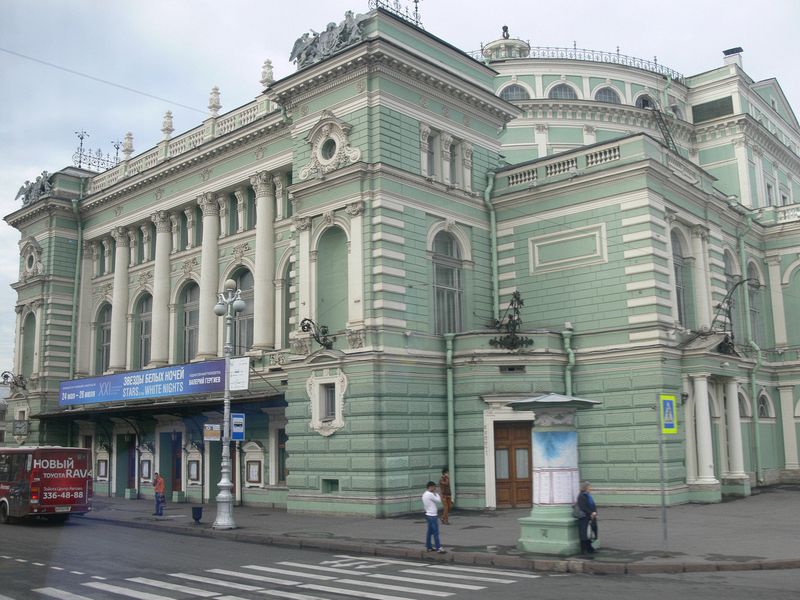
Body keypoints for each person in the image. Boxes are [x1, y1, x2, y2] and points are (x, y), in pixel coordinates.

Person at [422, 481, 445, 553]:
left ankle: (428, 547)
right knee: (436, 532)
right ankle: (438, 548)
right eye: (434, 487)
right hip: (432, 515)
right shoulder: (430, 494)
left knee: (429, 532)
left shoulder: (424, 494)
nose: (435, 489)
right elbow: (438, 500)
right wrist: (437, 494)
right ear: (430, 487)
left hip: (428, 514)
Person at [576, 480, 598, 554]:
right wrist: (591, 513)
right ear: (585, 487)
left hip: (590, 516)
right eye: (589, 486)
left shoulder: (588, 495)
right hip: (584, 517)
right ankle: (584, 549)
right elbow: (583, 507)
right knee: (584, 533)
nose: (590, 488)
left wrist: (594, 512)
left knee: (590, 533)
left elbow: (593, 505)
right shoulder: (581, 496)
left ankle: (590, 548)